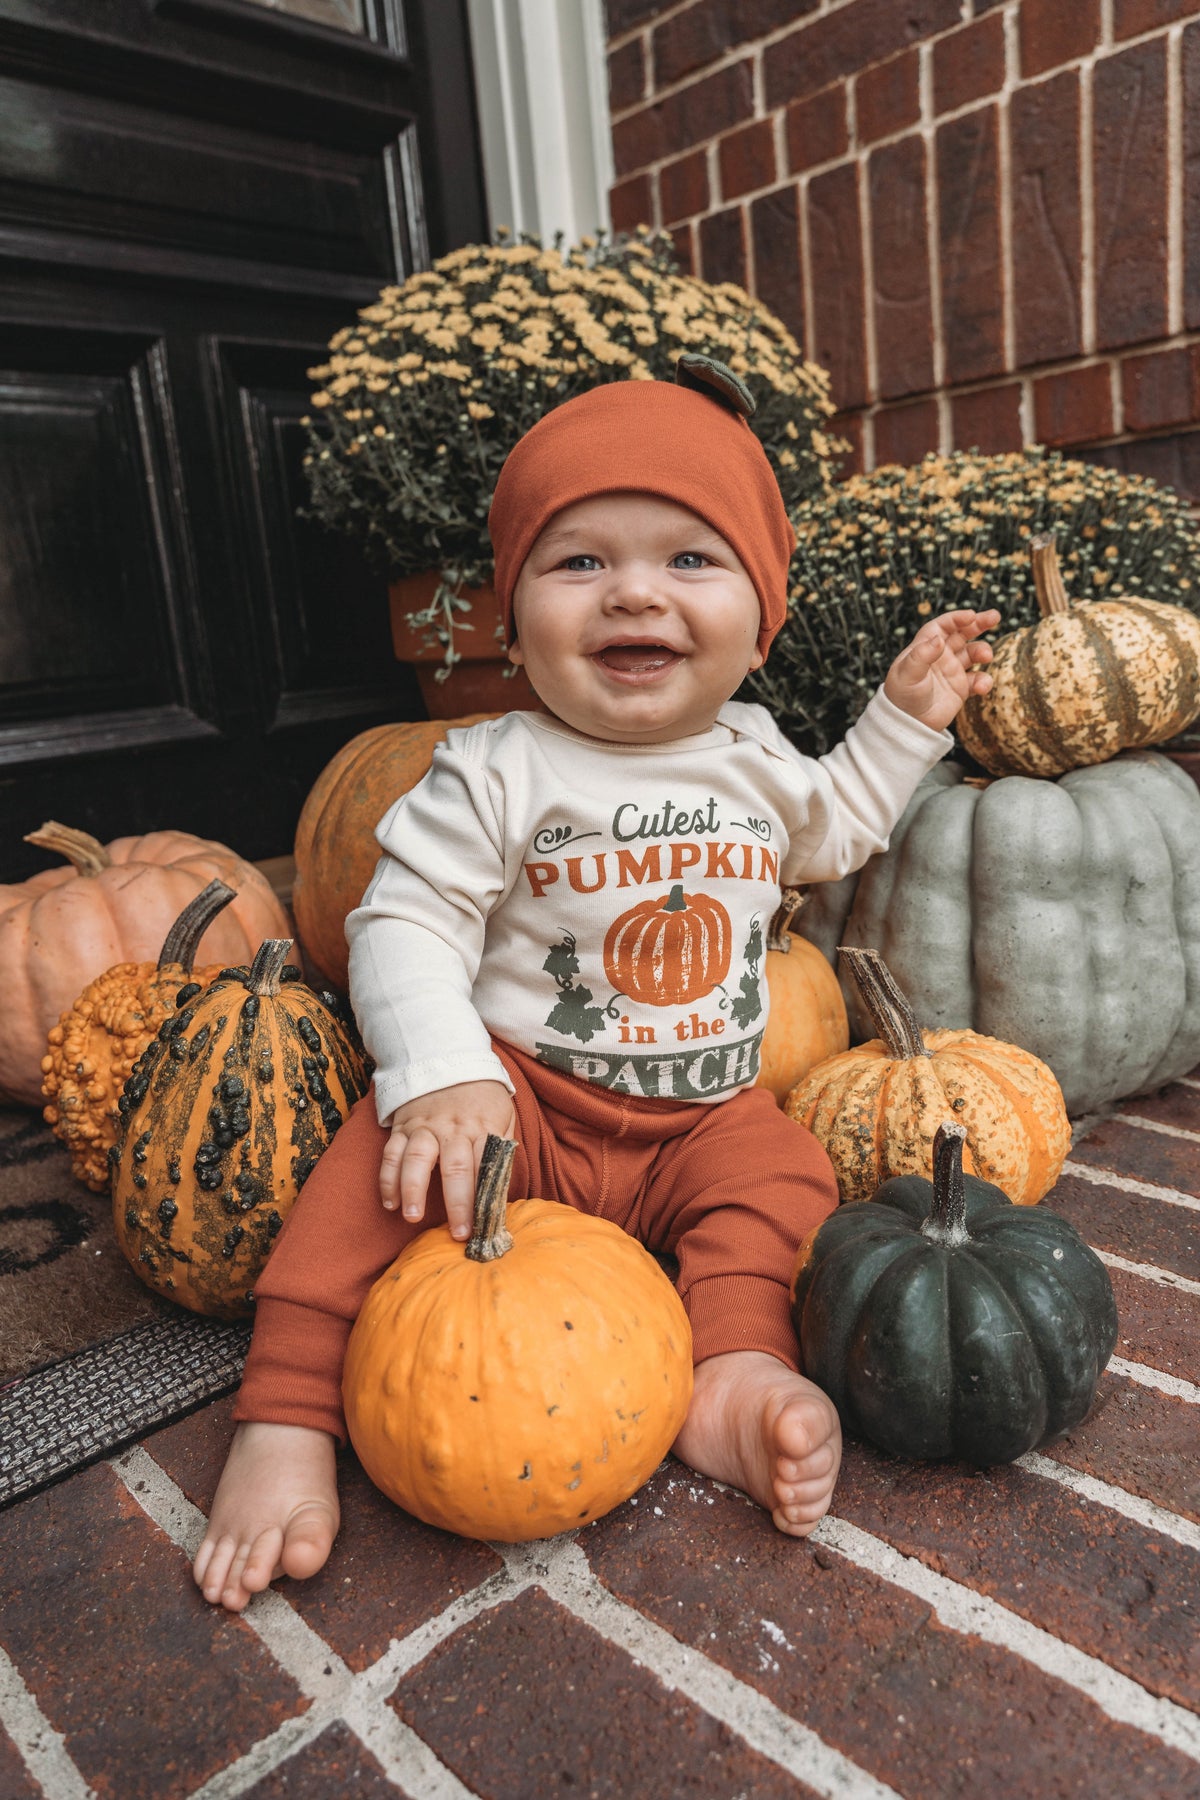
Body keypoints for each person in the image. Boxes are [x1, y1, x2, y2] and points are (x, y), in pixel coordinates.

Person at [194, 357, 996, 1612]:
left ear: (760, 620)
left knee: (782, 1177)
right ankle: (288, 1410)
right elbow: (404, 916)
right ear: (513, 625)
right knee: (372, 1170)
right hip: (525, 1101)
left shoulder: (759, 757)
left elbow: (837, 827)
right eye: (579, 561)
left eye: (690, 559)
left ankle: (729, 1372)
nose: (634, 590)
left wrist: (904, 721)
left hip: (703, 1115)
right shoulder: (495, 768)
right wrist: (441, 1077)